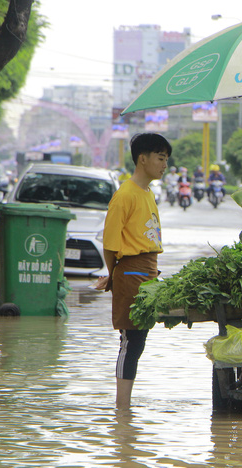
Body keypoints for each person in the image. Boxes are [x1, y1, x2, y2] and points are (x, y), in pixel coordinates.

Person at [96, 132, 171, 410]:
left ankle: (124, 408)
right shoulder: (124, 195)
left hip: (146, 271)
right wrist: (113, 276)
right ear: (143, 159)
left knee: (138, 340)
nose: (165, 165)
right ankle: (122, 409)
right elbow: (110, 244)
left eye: (166, 159)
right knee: (130, 340)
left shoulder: (147, 193)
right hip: (130, 272)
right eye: (160, 158)